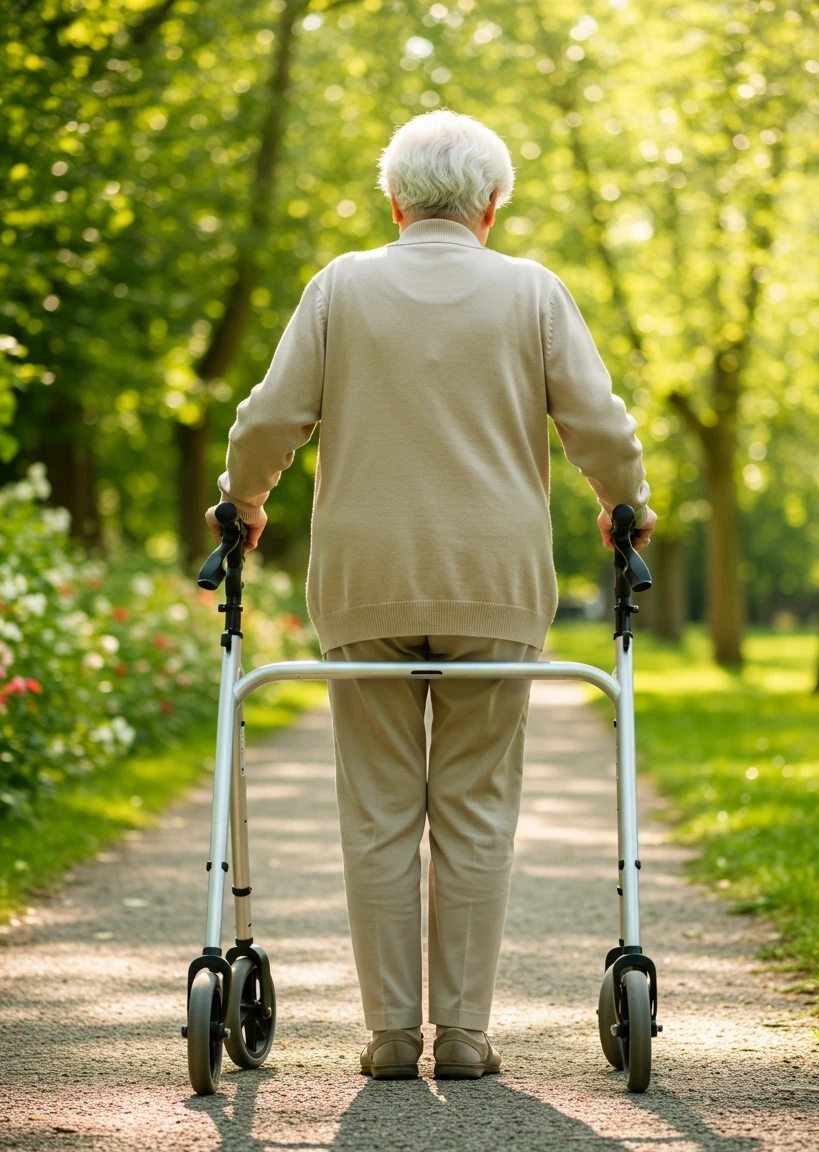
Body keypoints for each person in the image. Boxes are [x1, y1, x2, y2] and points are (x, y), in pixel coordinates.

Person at [206, 109, 656, 1081]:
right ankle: (460, 1034)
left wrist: (243, 502)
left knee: (374, 807)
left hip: (361, 580)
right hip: (492, 582)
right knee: (475, 803)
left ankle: (385, 1034)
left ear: (393, 199)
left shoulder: (339, 286)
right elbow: (599, 427)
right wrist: (626, 506)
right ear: (491, 203)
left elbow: (268, 417)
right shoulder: (532, 291)